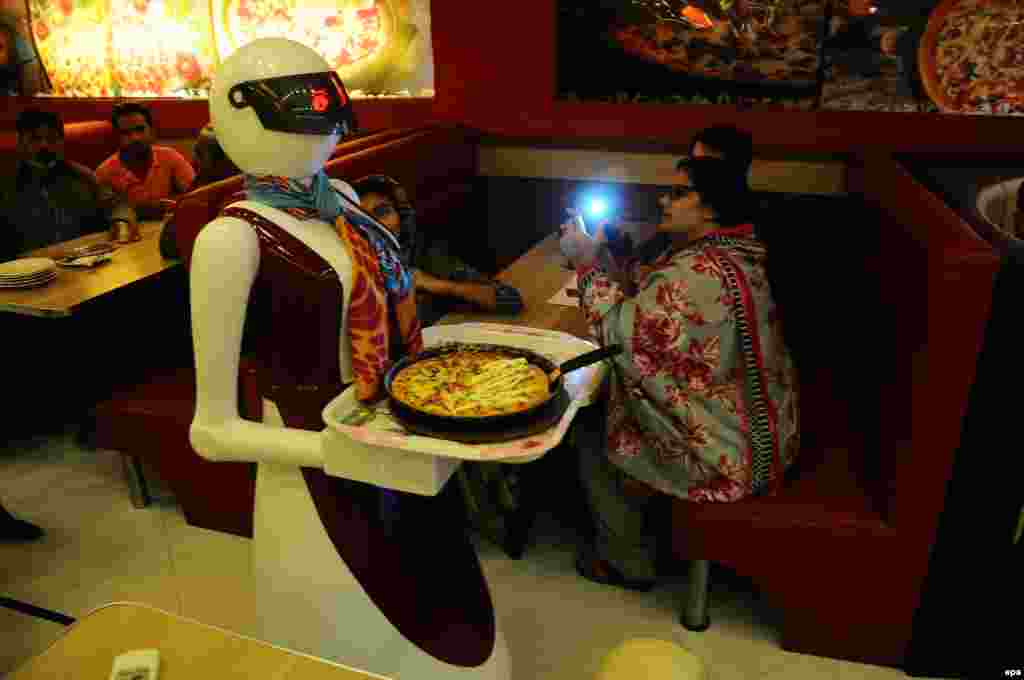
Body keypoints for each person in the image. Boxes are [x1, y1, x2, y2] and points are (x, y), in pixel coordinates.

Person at [562, 125, 800, 590]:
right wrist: (621, 256)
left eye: (678, 193)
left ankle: (627, 562)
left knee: (587, 426)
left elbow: (619, 336)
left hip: (730, 456)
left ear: (709, 207)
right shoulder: (738, 251)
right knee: (616, 396)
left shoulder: (700, 273)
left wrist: (587, 263)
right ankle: (650, 529)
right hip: (768, 429)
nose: (663, 202)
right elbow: (662, 309)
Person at [351, 174, 524, 327]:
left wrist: (431, 283)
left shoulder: (420, 251)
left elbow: (508, 300)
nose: (375, 224)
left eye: (382, 212)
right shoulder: (348, 266)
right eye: (363, 217)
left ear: (401, 217)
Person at [0, 109, 110, 260]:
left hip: (85, 264)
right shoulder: (6, 184)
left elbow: (116, 205)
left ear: (62, 142)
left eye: (52, 139)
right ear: (20, 142)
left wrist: (121, 220)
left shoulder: (83, 176)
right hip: (26, 271)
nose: (44, 145)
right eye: (35, 139)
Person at [95, 103, 195, 222]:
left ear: (151, 130)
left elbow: (196, 195)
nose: (135, 138)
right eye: (126, 133)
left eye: (140, 129)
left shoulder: (170, 157)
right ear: (116, 136)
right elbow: (106, 216)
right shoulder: (104, 173)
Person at [158, 124, 240, 258]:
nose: (193, 159)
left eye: (198, 153)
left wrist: (179, 211)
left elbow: (168, 246)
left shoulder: (199, 201)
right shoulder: (266, 186)